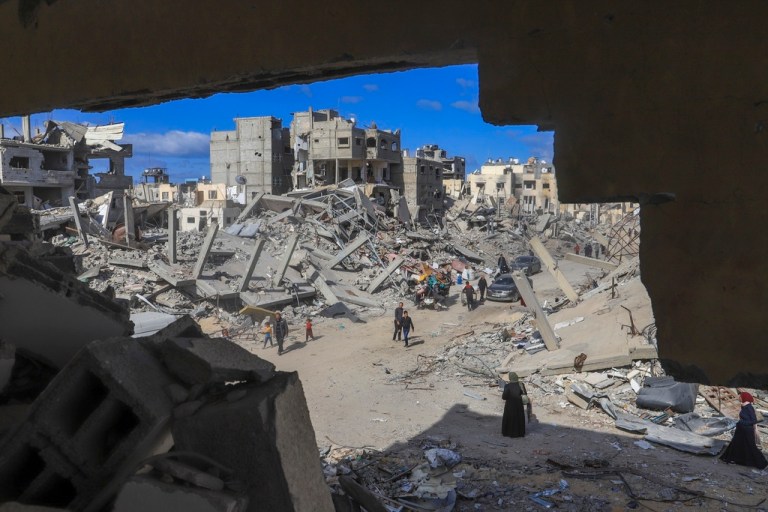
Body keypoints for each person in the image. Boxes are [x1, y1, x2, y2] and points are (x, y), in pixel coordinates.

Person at [720, 392, 768, 469]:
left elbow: (753, 420)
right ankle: (734, 459)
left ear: (744, 397)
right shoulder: (744, 406)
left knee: (751, 446)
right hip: (741, 430)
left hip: (747, 430)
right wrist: (740, 423)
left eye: (741, 396)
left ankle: (762, 463)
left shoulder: (749, 407)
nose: (739, 397)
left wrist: (742, 423)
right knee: (737, 444)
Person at [501, 372, 530, 438]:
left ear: (510, 378)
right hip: (519, 405)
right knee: (519, 418)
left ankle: (508, 432)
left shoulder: (507, 386)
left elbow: (504, 397)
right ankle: (520, 433)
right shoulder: (521, 384)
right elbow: (525, 394)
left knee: (510, 418)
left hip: (509, 405)